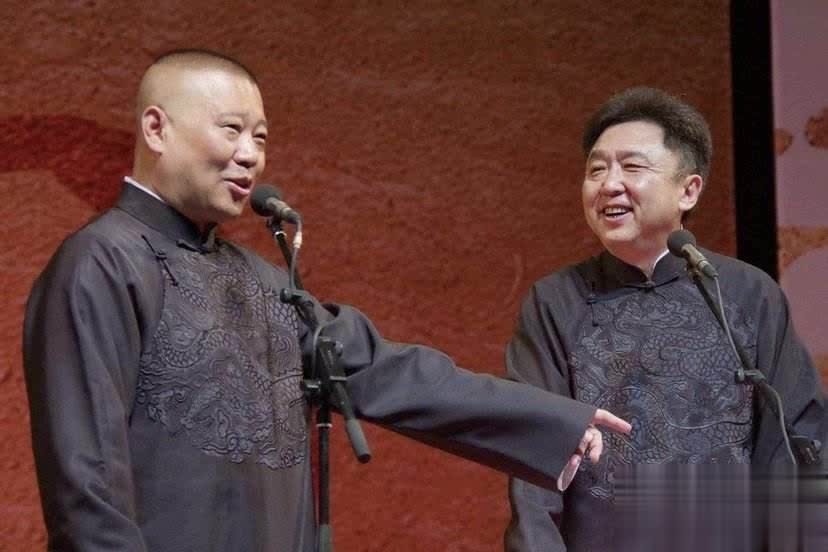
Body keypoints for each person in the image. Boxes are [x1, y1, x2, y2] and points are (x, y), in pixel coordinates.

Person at [22, 49, 631, 552]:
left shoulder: (264, 282)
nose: (250, 154)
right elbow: (86, 485)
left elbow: (385, 371)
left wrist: (555, 422)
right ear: (157, 128)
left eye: (260, 137)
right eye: (231, 130)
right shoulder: (102, 263)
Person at [504, 87, 827, 551]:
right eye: (597, 169)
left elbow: (797, 438)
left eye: (632, 167)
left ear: (688, 190)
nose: (609, 184)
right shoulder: (555, 302)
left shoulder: (747, 294)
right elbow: (533, 450)